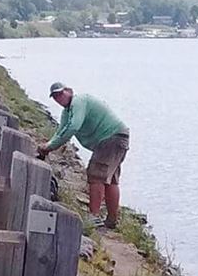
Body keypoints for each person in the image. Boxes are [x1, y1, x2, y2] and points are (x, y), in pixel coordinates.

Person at [37, 82, 130, 229]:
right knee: (111, 180)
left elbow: (73, 127)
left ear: (69, 91)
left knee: (96, 175)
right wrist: (48, 146)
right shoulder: (67, 112)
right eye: (55, 96)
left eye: (60, 94)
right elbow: (60, 132)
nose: (58, 98)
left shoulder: (78, 101)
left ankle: (93, 218)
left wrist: (49, 147)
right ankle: (112, 221)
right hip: (117, 137)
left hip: (111, 137)